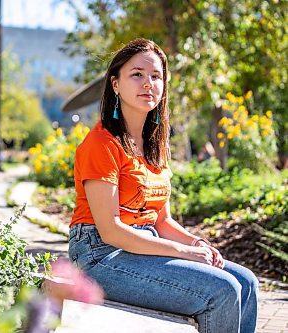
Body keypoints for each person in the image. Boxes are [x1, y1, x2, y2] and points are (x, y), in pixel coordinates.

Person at [68, 38, 258, 333]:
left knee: (246, 282)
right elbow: (111, 230)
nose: (148, 83)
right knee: (222, 290)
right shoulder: (100, 144)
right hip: (101, 255)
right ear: (115, 84)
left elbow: (162, 220)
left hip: (143, 244)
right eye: (137, 74)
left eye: (156, 76)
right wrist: (181, 253)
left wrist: (196, 244)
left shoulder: (154, 145)